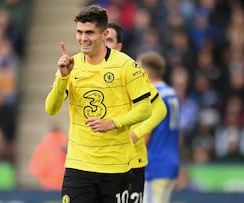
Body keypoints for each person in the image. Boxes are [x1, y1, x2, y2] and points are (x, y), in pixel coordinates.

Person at [45, 5, 153, 203]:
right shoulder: (71, 65)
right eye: (79, 32)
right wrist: (62, 77)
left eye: (89, 33)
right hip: (79, 164)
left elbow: (146, 108)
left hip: (116, 166)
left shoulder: (126, 65)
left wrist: (112, 123)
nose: (83, 38)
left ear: (104, 34)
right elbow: (51, 109)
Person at [106, 22, 167, 202]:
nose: (104, 44)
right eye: (102, 38)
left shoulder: (132, 71)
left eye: (109, 40)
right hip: (100, 160)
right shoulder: (87, 71)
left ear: (119, 46)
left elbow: (160, 109)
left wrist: (136, 133)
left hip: (131, 160)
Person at [137, 51, 181, 203]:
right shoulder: (172, 94)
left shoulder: (154, 96)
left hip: (155, 163)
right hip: (170, 161)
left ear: (145, 71)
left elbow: (146, 134)